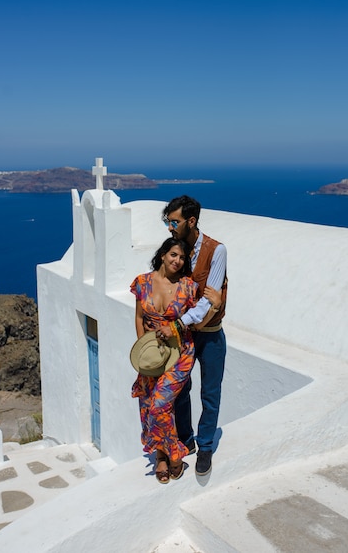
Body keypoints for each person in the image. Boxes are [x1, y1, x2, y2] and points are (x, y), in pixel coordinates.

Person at [159, 195, 227, 476]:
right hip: (185, 338)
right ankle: (186, 440)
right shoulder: (177, 251)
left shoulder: (217, 250)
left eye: (173, 222)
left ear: (191, 221)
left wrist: (178, 324)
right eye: (167, 222)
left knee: (210, 394)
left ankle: (206, 447)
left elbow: (206, 303)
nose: (170, 228)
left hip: (209, 336)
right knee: (180, 390)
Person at [130, 237, 199, 484]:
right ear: (162, 255)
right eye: (173, 255)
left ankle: (175, 455)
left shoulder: (188, 287)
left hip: (180, 354)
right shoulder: (142, 282)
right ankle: (161, 456)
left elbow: (196, 319)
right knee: (150, 404)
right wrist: (145, 351)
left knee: (160, 404)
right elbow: (139, 318)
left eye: (181, 258)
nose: (177, 261)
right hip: (153, 354)